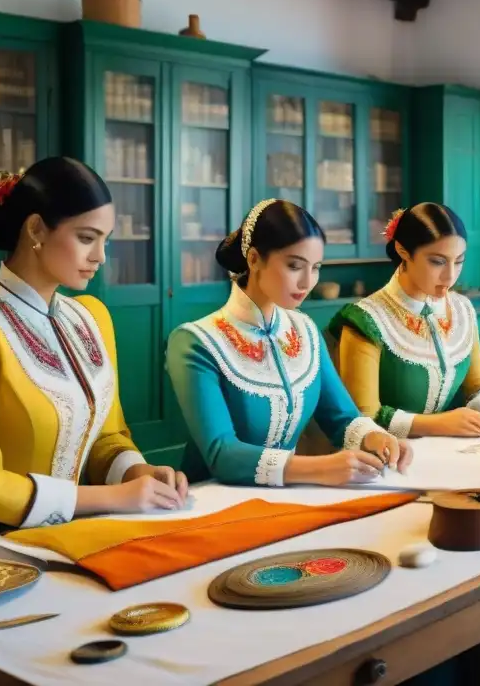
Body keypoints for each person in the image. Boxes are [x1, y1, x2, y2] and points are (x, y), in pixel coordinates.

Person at [0, 157, 188, 529]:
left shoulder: (90, 317)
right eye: (86, 238)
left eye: (105, 241)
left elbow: (106, 437)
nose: (100, 257)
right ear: (36, 229)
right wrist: (113, 497)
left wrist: (137, 473)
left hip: (76, 535)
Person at [166, 199, 412, 489]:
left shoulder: (305, 330)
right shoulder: (196, 341)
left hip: (286, 499)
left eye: (316, 267)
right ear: (254, 259)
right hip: (208, 503)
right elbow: (221, 454)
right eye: (295, 266)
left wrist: (376, 438)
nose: (307, 281)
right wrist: (320, 467)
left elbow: (342, 418)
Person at [328, 203, 480, 439]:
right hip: (381, 458)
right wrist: (440, 423)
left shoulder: (462, 310)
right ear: (403, 251)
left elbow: (477, 387)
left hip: (439, 450)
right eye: (438, 261)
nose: (450, 276)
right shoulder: (367, 320)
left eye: (458, 261)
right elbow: (364, 418)